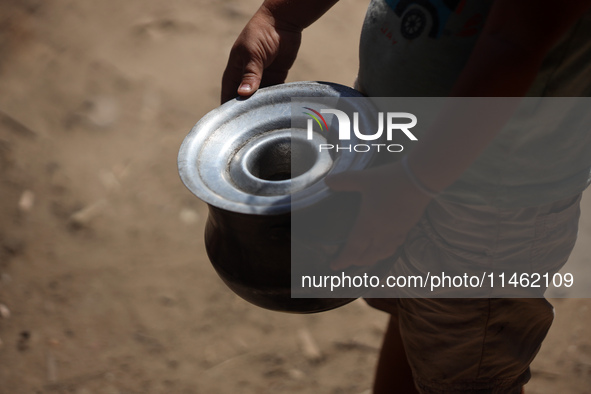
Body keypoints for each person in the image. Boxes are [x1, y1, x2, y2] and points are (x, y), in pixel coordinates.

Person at [221, 0, 591, 393]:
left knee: (466, 375)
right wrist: (283, 15)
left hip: (487, 210)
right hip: (389, 155)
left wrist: (416, 182)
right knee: (411, 312)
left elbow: (515, 45)